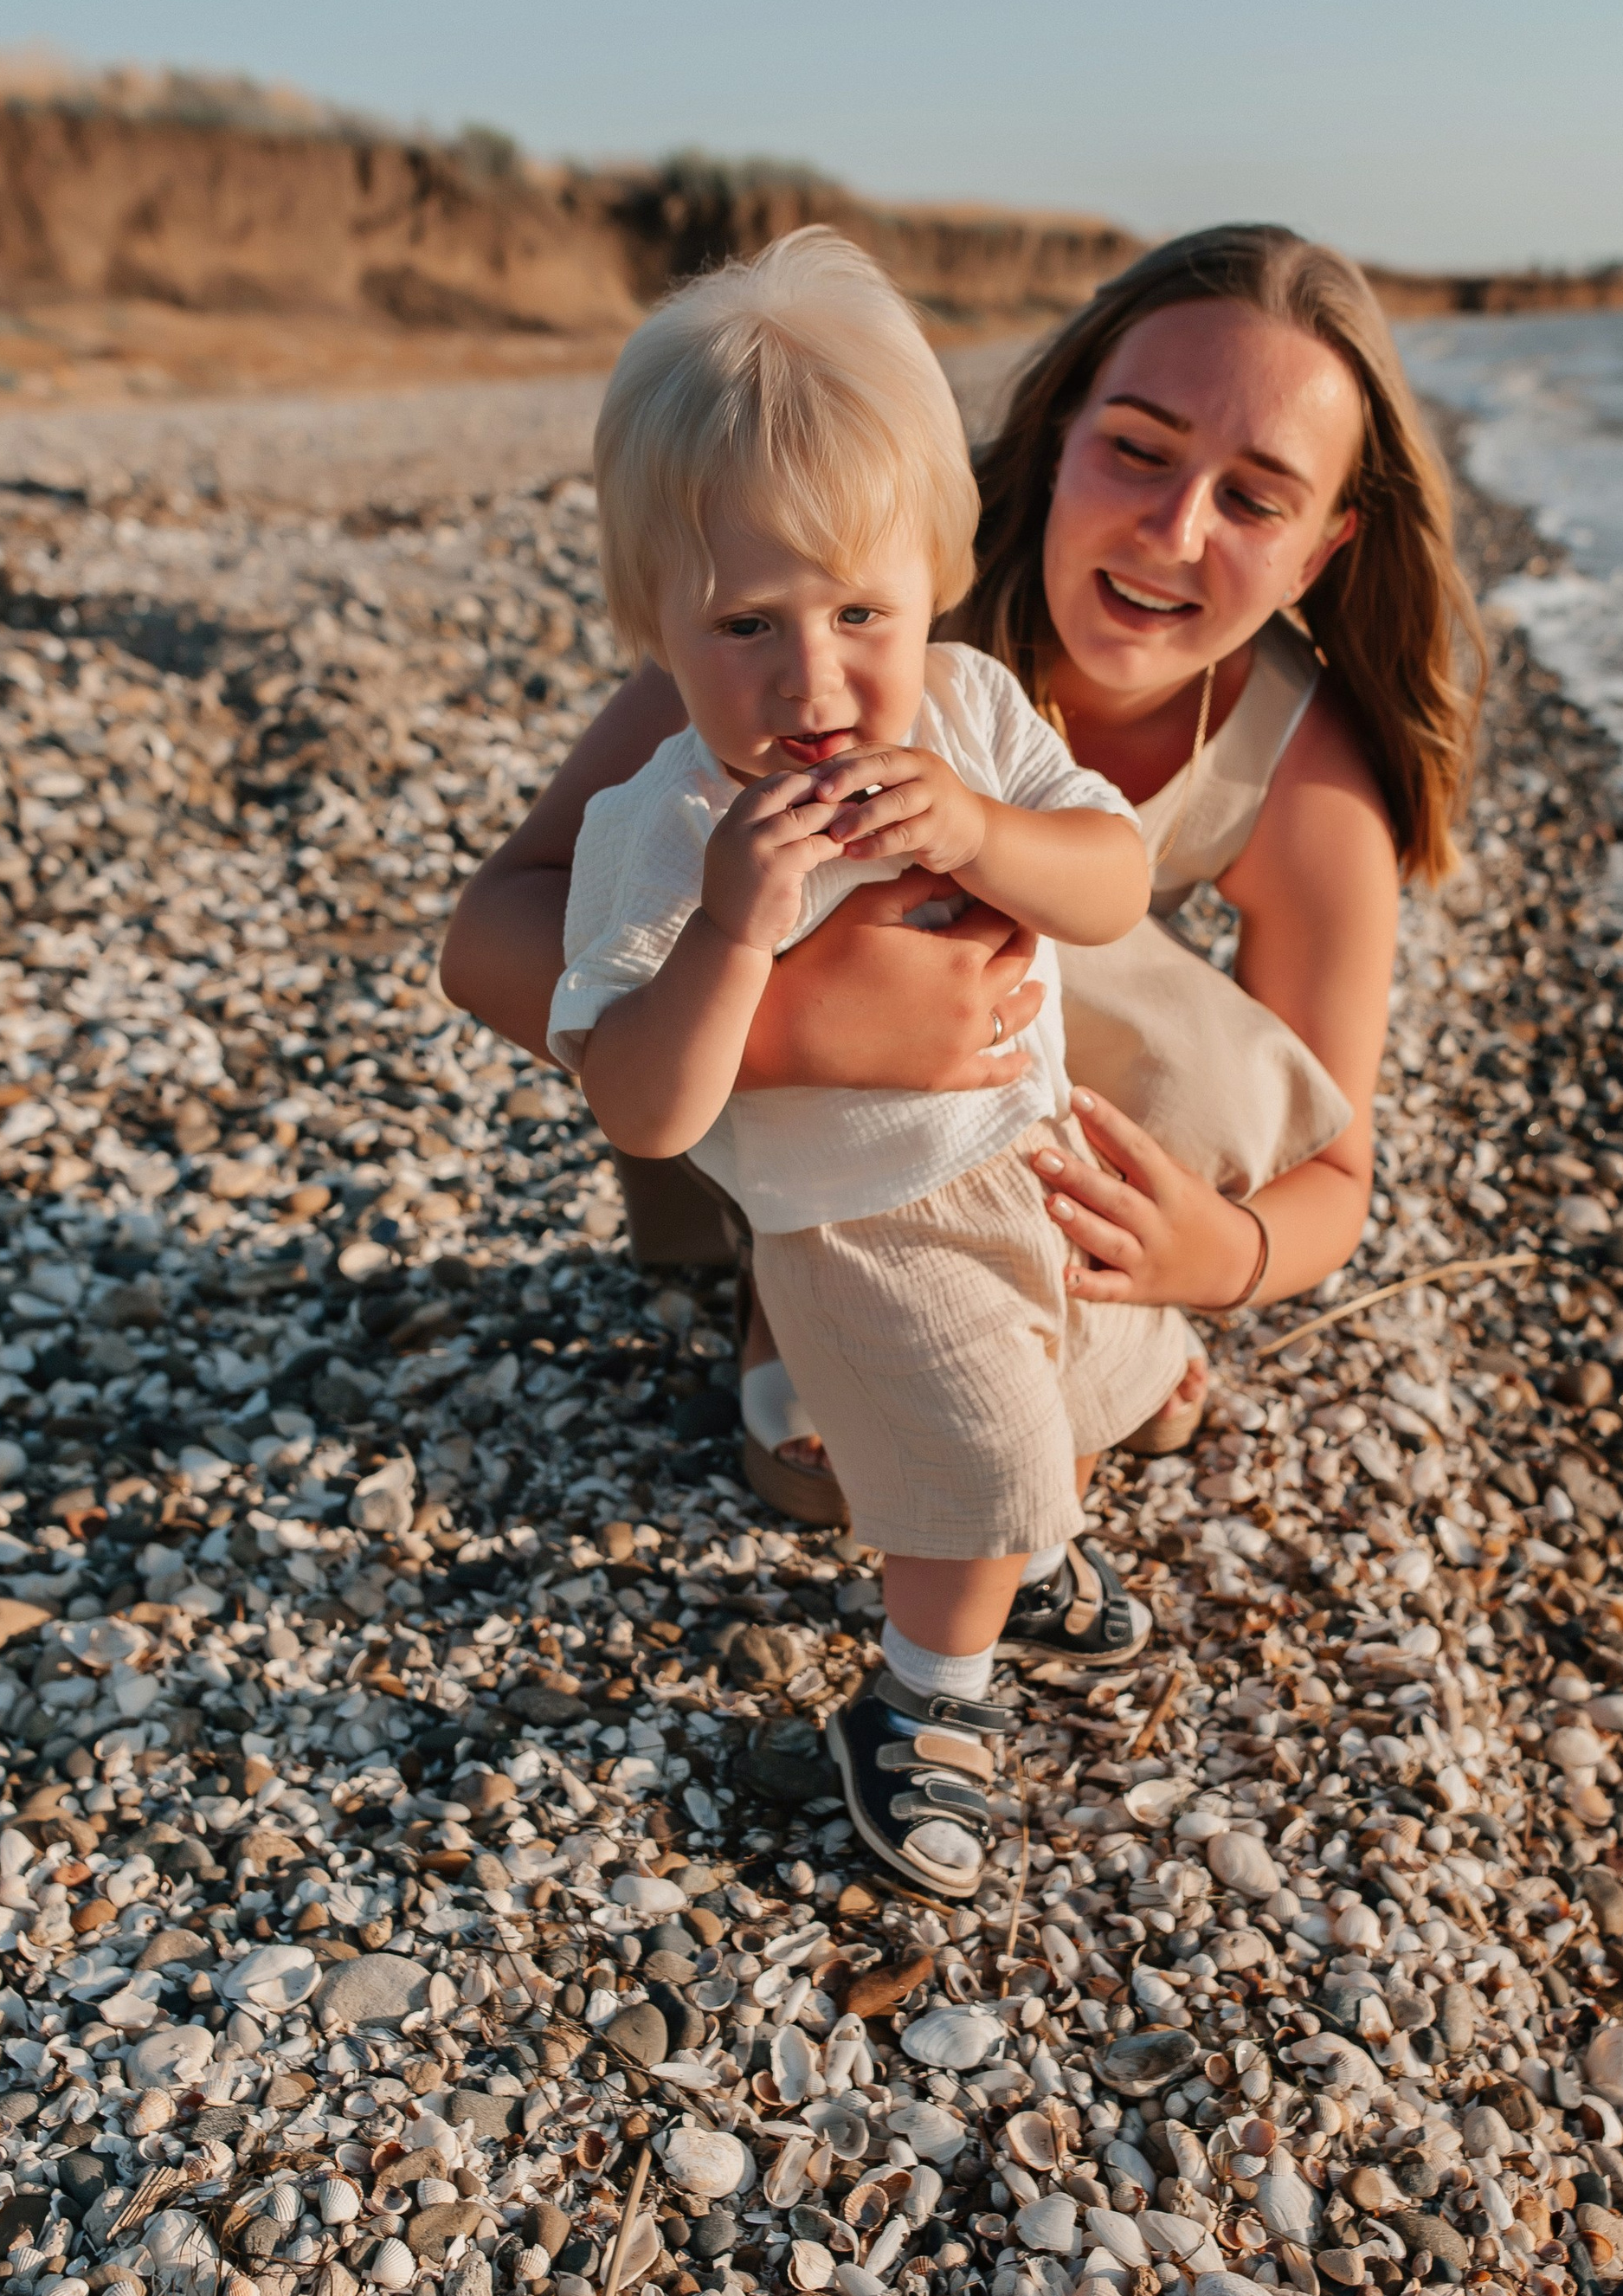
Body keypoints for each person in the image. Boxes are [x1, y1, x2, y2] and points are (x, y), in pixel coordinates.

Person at [442, 221, 1484, 1525]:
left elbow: (1334, 1170)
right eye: (1138, 451)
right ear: (1058, 432)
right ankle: (788, 1284)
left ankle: (1074, 1313)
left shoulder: (1301, 775)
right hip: (749, 1102)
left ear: (1323, 548)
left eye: (1254, 499)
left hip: (1006, 1117)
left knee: (1170, 1020)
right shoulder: (825, 583)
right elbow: (492, 929)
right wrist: (787, 1024)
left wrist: (1219, 1257)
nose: (1171, 529)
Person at [550, 228, 1188, 1898]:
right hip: (860, 1232)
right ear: (655, 624)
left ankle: (1021, 1545)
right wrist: (735, 932)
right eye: (746, 623)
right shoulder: (663, 827)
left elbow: (1113, 883)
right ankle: (916, 1706)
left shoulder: (969, 714)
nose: (816, 679)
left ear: (937, 583)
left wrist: (986, 830)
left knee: (1081, 1384)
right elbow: (641, 1101)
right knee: (967, 1445)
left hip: (1029, 1156)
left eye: (859, 612)